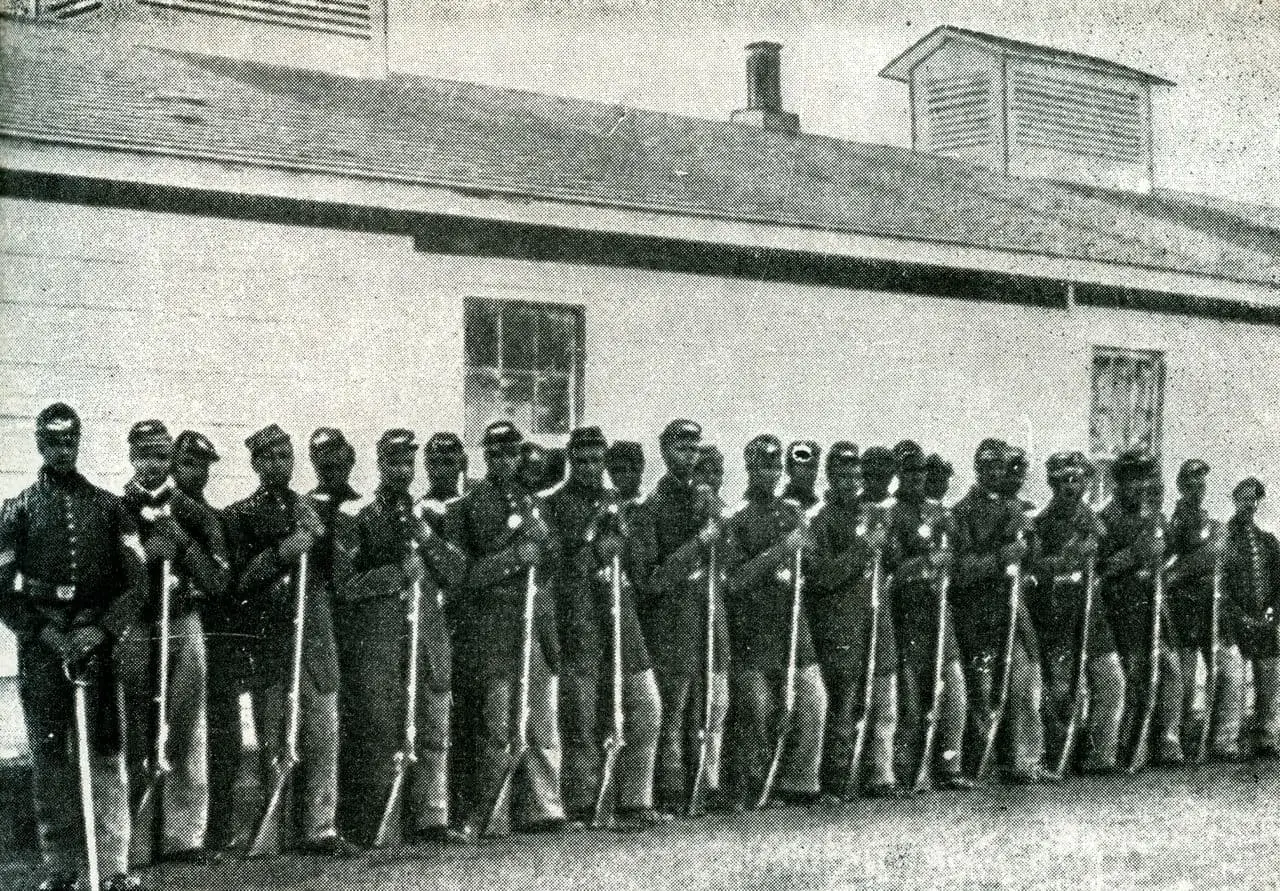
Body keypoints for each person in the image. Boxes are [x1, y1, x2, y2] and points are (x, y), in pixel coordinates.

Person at [0, 403, 147, 891]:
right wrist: (45, 635)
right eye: (52, 442)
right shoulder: (17, 510)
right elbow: (2, 590)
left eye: (69, 442)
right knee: (49, 753)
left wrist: (102, 631)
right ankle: (60, 867)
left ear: (79, 443)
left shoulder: (110, 508)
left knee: (106, 750)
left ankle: (114, 866)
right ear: (40, 444)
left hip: (95, 641)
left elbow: (136, 584)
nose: (61, 451)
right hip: (43, 646)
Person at [223, 424, 357, 856]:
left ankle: (320, 826)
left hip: (314, 632)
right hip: (271, 634)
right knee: (275, 735)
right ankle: (273, 825)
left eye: (284, 457)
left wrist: (321, 537)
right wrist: (284, 551)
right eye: (267, 458)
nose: (277, 465)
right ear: (255, 464)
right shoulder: (239, 515)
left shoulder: (311, 509)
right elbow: (240, 579)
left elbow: (341, 576)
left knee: (322, 731)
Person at [337, 430, 466, 846]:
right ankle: (375, 820)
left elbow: (456, 571)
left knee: (432, 724)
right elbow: (345, 583)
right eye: (394, 462)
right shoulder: (358, 515)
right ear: (380, 463)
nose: (402, 470)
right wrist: (395, 575)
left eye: (408, 462)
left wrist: (427, 539)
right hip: (381, 639)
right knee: (379, 729)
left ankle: (432, 816)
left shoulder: (428, 514)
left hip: (426, 633)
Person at [444, 421, 571, 838]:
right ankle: (487, 809)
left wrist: (545, 551)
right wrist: (518, 554)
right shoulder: (464, 508)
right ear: (486, 457)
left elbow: (552, 568)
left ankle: (543, 806)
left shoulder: (535, 504)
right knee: (497, 724)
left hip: (533, 623)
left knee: (540, 721)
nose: (505, 461)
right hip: (492, 629)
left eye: (512, 454)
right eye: (496, 454)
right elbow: (464, 576)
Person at [545, 426, 667, 828]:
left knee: (645, 705)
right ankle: (583, 803)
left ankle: (635, 798)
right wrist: (595, 542)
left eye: (597, 460)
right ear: (570, 461)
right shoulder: (554, 505)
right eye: (582, 461)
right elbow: (562, 568)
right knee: (581, 714)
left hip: (620, 609)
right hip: (579, 615)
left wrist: (624, 537)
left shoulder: (619, 502)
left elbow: (641, 565)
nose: (590, 468)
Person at [118, 421, 228, 865]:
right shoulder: (116, 508)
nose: (153, 464)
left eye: (161, 456)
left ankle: (185, 835)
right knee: (136, 723)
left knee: (186, 725)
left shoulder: (195, 513)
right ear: (132, 458)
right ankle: (133, 836)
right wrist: (145, 561)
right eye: (144, 455)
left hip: (183, 622)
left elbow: (219, 579)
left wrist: (181, 545)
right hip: (136, 626)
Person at [631, 420, 731, 816]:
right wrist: (696, 544)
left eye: (693, 448)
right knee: (672, 712)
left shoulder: (707, 503)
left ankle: (704, 786)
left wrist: (716, 526)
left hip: (707, 617)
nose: (688, 456)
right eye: (679, 447)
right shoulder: (650, 508)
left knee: (710, 708)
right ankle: (670, 791)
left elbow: (727, 562)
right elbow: (651, 580)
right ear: (664, 450)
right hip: (671, 625)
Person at [723, 435, 828, 806]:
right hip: (754, 625)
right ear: (750, 469)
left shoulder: (791, 513)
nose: (769, 474)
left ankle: (800, 781)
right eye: (761, 467)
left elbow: (813, 565)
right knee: (755, 707)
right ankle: (751, 786)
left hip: (791, 621)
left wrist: (805, 547)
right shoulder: (736, 518)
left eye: (774, 467)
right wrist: (780, 552)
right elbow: (734, 581)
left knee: (813, 699)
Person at [951, 440, 1051, 783]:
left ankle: (1023, 761)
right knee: (981, 691)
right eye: (989, 468)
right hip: (979, 613)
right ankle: (976, 763)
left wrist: (1028, 542)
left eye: (1001, 467)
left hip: (1011, 612)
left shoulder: (1015, 511)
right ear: (979, 470)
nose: (996, 474)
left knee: (1022, 683)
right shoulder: (963, 512)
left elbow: (1032, 561)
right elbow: (962, 569)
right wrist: (999, 558)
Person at [809, 442, 905, 798]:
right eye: (843, 476)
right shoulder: (820, 520)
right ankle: (836, 779)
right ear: (831, 477)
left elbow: (891, 562)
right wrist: (864, 548)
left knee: (883, 701)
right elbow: (820, 576)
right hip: (842, 624)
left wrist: (885, 541)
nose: (851, 482)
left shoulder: (872, 515)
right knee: (844, 703)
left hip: (877, 622)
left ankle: (880, 776)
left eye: (856, 476)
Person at [172, 430, 245, 856]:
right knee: (175, 731)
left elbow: (223, 579)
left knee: (226, 739)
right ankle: (165, 832)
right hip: (170, 633)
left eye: (200, 466)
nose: (193, 473)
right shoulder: (145, 511)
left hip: (215, 638)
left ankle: (215, 831)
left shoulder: (212, 520)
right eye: (186, 464)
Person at [1028, 452, 1125, 774]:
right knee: (1060, 690)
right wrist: (1067, 559)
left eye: (1078, 478)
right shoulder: (1039, 524)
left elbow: (1111, 566)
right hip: (1057, 614)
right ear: (1052, 483)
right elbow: (1033, 569)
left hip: (1092, 612)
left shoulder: (1097, 523)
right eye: (1064, 479)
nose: (1072, 486)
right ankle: (1057, 756)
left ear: (1087, 481)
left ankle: (1100, 756)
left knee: (1111, 680)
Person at [885, 447, 974, 791]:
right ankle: (907, 771)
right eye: (910, 472)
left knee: (954, 692)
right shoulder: (890, 515)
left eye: (921, 471)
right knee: (910, 699)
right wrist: (928, 563)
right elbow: (893, 567)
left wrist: (949, 546)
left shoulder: (938, 512)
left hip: (939, 612)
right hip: (907, 615)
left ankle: (949, 765)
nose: (917, 478)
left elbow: (960, 554)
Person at [1097, 449, 1185, 767]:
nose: (1140, 486)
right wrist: (1136, 554)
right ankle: (1127, 746)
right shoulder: (1104, 520)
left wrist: (1162, 558)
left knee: (1170, 671)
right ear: (1118, 483)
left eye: (1144, 478)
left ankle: (1165, 741)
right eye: (1132, 479)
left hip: (1154, 607)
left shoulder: (1155, 519)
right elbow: (1101, 569)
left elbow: (1173, 551)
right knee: (1133, 677)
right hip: (1123, 609)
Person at [1166, 459, 1242, 758]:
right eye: (1192, 482)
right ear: (1181, 486)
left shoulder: (1208, 520)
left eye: (1202, 482)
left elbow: (1225, 556)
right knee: (1183, 679)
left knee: (1229, 672)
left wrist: (1217, 543)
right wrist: (1209, 551)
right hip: (1186, 606)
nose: (1198, 487)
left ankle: (1224, 740)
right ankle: (1178, 740)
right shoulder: (1178, 520)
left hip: (1213, 607)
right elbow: (1171, 567)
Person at [1221, 477, 1280, 758]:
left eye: (1254, 498)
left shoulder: (1268, 542)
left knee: (1269, 677)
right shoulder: (1224, 538)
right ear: (1235, 500)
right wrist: (1237, 614)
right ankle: (1228, 739)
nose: (1249, 504)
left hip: (1264, 621)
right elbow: (1219, 585)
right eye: (1244, 498)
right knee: (1233, 681)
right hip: (1234, 621)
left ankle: (1267, 736)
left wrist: (1273, 611)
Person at [781, 441, 821, 512]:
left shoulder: (822, 509)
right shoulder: (778, 507)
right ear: (789, 468)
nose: (808, 472)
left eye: (812, 466)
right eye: (802, 466)